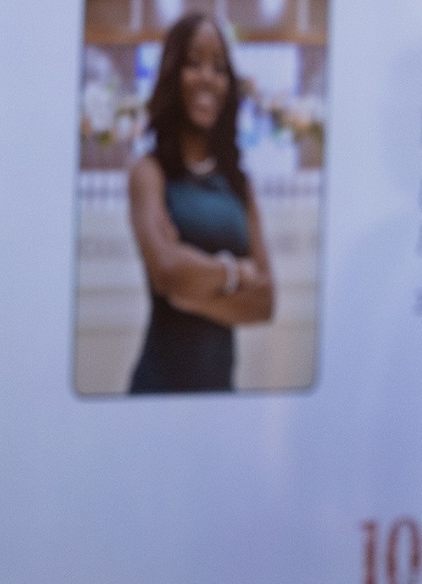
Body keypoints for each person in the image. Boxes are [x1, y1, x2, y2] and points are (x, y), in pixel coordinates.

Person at [127, 13, 275, 393]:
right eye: (193, 63)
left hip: (221, 392)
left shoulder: (240, 182)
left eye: (220, 67)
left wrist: (191, 297)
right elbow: (167, 270)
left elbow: (266, 302)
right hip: (157, 388)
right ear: (173, 73)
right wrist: (237, 274)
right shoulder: (149, 172)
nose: (208, 77)